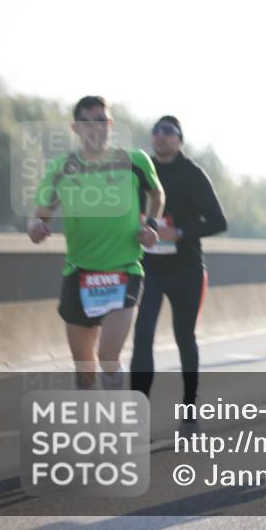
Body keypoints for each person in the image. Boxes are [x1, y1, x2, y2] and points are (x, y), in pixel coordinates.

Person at [29, 96, 164, 389]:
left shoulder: (135, 161)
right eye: (87, 122)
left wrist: (151, 225)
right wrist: (36, 228)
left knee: (108, 355)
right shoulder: (62, 169)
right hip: (79, 273)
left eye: (101, 120)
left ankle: (117, 423)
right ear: (75, 128)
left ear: (110, 125)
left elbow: (157, 195)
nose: (95, 128)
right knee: (85, 370)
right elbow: (39, 216)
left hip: (124, 271)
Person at [131, 116, 226, 419]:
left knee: (184, 336)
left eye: (168, 132)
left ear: (179, 139)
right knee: (143, 335)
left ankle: (189, 400)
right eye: (156, 131)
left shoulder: (192, 174)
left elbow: (218, 222)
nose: (161, 137)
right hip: (150, 266)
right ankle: (138, 406)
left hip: (186, 268)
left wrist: (181, 232)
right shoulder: (141, 171)